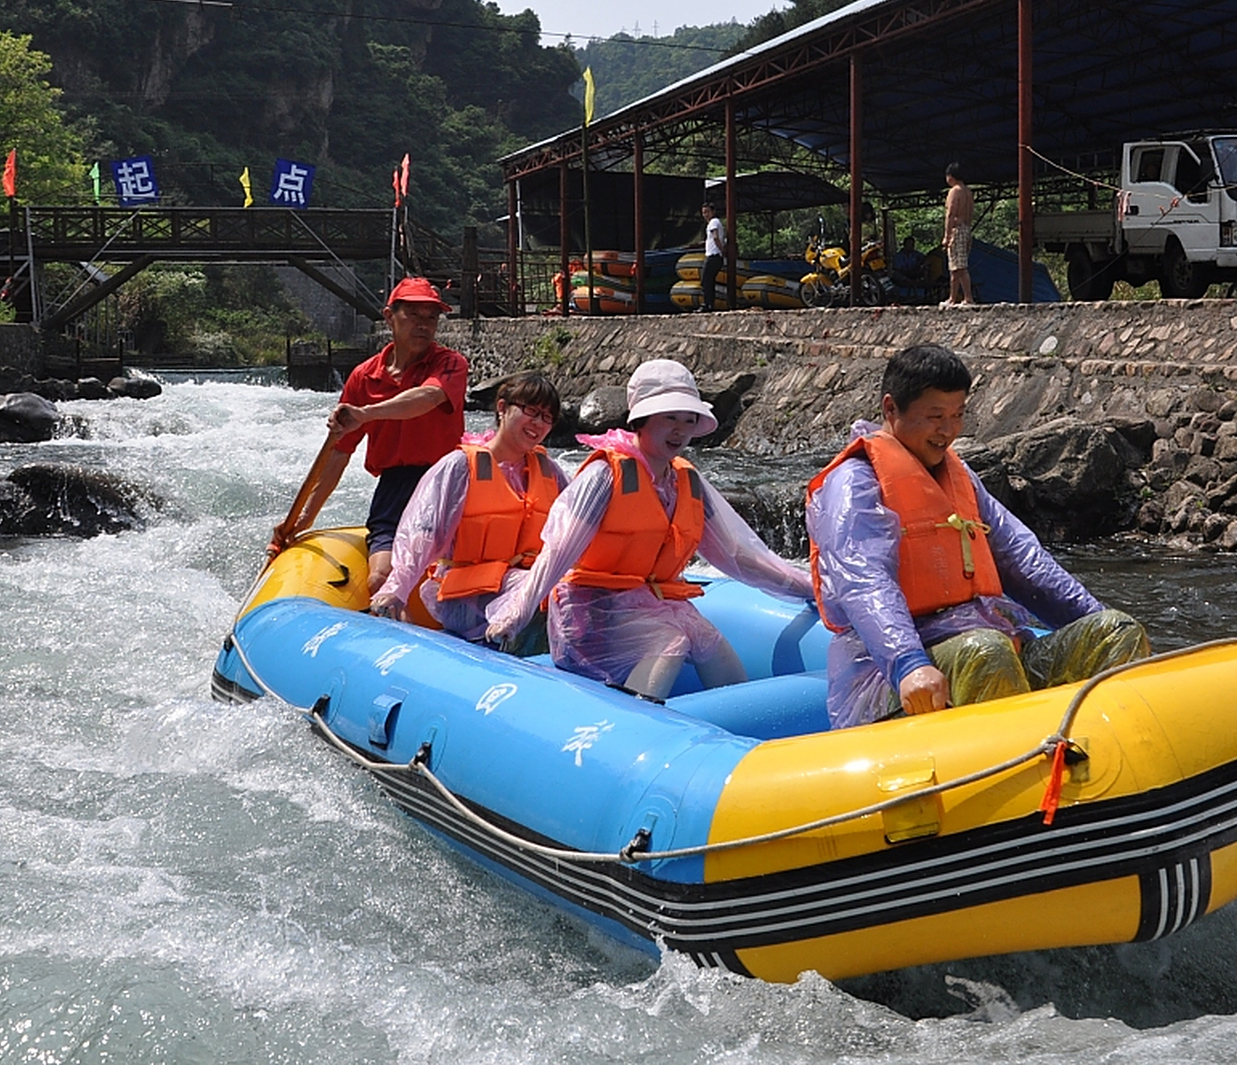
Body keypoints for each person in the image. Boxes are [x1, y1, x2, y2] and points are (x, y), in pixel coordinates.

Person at [806, 343, 1150, 729]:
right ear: (891, 409)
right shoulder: (854, 484)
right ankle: (1015, 771)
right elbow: (864, 581)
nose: (949, 431)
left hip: (986, 648)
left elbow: (1023, 559)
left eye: (957, 415)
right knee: (984, 652)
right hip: (888, 678)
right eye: (935, 416)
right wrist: (908, 663)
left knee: (1114, 630)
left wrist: (1091, 615)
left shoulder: (960, 477)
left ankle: (1118, 756)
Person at [485, 358, 811, 699]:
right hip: (591, 612)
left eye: (688, 420)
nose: (680, 430)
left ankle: (747, 734)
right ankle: (633, 728)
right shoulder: (605, 476)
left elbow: (737, 556)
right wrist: (517, 612)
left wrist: (808, 587)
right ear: (642, 420)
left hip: (652, 604)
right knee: (670, 640)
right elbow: (559, 551)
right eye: (669, 417)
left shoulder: (687, 480)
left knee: (710, 643)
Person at [270, 276, 468, 594]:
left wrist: (365, 414)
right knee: (380, 578)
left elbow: (428, 398)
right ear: (389, 317)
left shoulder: (449, 363)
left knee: (439, 571)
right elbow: (339, 454)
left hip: (446, 481)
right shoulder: (363, 377)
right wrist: (305, 517)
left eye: (431, 317)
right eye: (413, 315)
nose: (424, 325)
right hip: (395, 485)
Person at [368, 371, 568, 652]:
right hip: (464, 595)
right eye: (531, 411)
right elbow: (423, 533)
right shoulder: (460, 467)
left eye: (547, 417)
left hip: (526, 587)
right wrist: (395, 589)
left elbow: (573, 535)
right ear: (502, 407)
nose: (538, 423)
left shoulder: (550, 473)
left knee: (562, 589)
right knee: (539, 588)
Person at [941, 163, 975, 306]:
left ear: (951, 176)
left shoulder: (955, 191)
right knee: (955, 267)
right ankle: (952, 298)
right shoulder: (968, 192)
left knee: (960, 266)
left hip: (957, 230)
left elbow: (950, 214)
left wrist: (947, 236)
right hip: (966, 228)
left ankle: (968, 298)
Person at [700, 201, 729, 312]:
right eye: (703, 213)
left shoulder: (713, 222)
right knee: (709, 280)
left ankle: (707, 304)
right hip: (715, 255)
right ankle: (709, 304)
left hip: (714, 255)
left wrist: (722, 250)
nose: (705, 215)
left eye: (707, 212)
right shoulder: (715, 223)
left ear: (713, 212)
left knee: (706, 280)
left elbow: (715, 237)